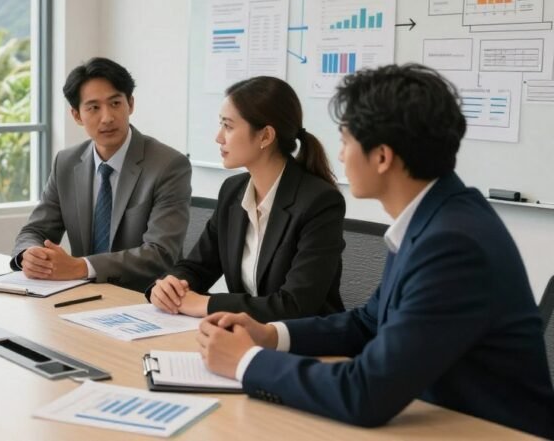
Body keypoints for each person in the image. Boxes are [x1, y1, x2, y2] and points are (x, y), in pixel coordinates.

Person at [196, 64, 554, 437]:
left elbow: (365, 392)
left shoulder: (452, 244)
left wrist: (247, 362)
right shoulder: (434, 217)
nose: (339, 155)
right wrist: (271, 335)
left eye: (346, 141)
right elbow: (368, 322)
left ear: (382, 157)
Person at [146, 76, 345, 321]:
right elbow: (199, 266)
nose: (218, 137)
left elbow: (295, 306)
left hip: (308, 345)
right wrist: (170, 286)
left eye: (228, 126)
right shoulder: (233, 191)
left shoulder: (319, 202)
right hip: (247, 337)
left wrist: (207, 305)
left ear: (265, 136)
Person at [12, 58, 191, 292]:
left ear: (131, 104)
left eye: (115, 103)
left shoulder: (168, 165)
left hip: (143, 299)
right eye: (93, 108)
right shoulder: (66, 163)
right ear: (77, 115)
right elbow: (35, 230)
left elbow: (160, 253)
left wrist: (81, 267)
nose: (107, 117)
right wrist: (29, 254)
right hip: (81, 295)